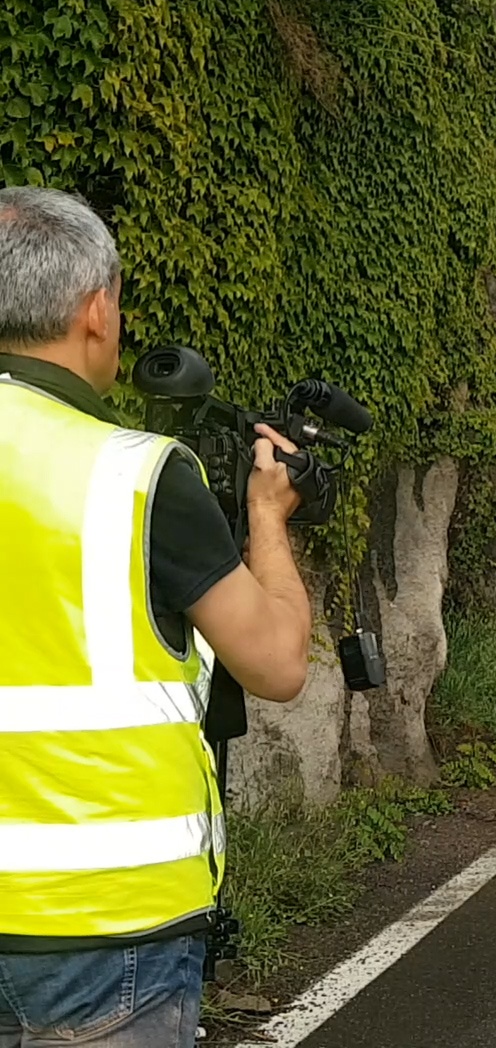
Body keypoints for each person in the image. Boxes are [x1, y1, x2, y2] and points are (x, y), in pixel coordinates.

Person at [0, 186, 314, 1047]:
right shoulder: (134, 476)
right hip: (105, 926)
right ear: (96, 312)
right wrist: (267, 519)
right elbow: (278, 662)